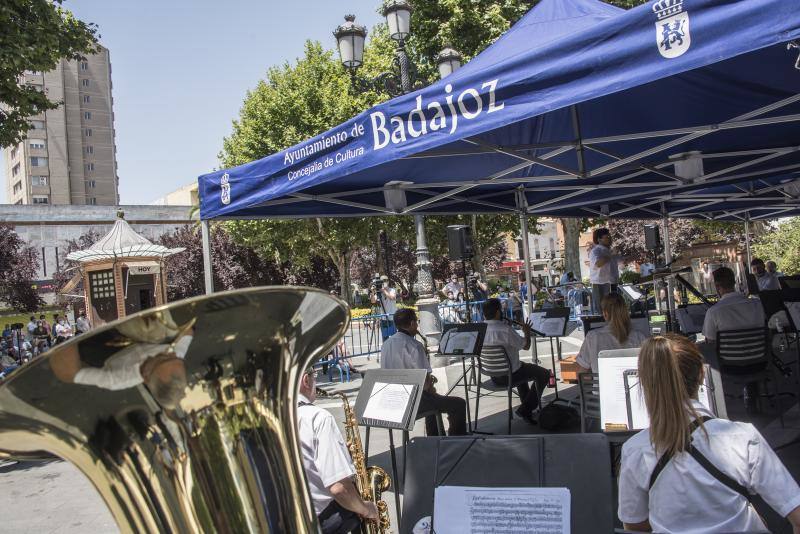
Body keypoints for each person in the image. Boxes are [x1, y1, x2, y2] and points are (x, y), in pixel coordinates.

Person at [618, 334, 800, 533]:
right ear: (702, 376)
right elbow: (797, 514)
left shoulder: (635, 450)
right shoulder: (742, 437)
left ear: (645, 383)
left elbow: (634, 525)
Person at [297, 368, 378, 533]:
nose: (316, 382)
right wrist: (367, 509)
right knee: (355, 508)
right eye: (315, 377)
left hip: (295, 519)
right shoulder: (318, 418)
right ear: (306, 380)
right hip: (322, 521)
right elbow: (339, 488)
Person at [381, 308, 467, 436]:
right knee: (458, 403)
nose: (417, 325)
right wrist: (431, 386)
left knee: (432, 400)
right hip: (413, 401)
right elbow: (426, 385)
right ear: (411, 324)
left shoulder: (386, 344)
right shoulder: (415, 345)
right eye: (417, 322)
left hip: (393, 399)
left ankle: (436, 436)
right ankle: (456, 440)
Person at [482, 298, 550, 424]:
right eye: (501, 310)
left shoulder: (480, 330)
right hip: (510, 375)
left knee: (520, 367)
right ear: (497, 313)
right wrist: (527, 332)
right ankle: (526, 409)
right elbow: (526, 346)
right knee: (544, 373)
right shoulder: (505, 329)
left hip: (493, 376)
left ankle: (527, 412)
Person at [576, 293, 649, 374]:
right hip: (632, 385)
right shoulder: (639, 337)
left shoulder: (593, 337)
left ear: (605, 313)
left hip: (602, 386)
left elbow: (582, 371)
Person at [701, 267, 765, 344]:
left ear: (717, 286)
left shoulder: (713, 312)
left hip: (728, 356)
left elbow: (710, 342)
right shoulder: (757, 304)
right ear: (734, 283)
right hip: (759, 353)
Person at [589, 228, 619, 314]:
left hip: (612, 282)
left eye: (610, 236)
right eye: (607, 237)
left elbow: (622, 261)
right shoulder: (596, 251)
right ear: (599, 239)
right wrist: (611, 255)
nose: (610, 238)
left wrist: (635, 256)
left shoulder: (609, 251)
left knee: (614, 310)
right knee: (602, 311)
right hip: (600, 284)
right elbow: (598, 264)